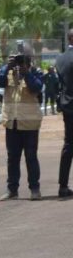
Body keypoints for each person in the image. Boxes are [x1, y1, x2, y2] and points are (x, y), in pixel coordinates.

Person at [0, 43, 44, 200]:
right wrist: (7, 67)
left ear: (30, 57)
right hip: (12, 122)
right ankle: (12, 190)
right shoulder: (8, 72)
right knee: (12, 158)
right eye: (17, 56)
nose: (20, 58)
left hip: (30, 123)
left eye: (23, 56)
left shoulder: (36, 72)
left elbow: (37, 88)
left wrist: (26, 73)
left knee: (31, 157)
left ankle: (35, 189)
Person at [55, 29, 73, 198]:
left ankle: (63, 186)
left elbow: (59, 85)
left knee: (68, 145)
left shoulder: (60, 58)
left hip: (68, 107)